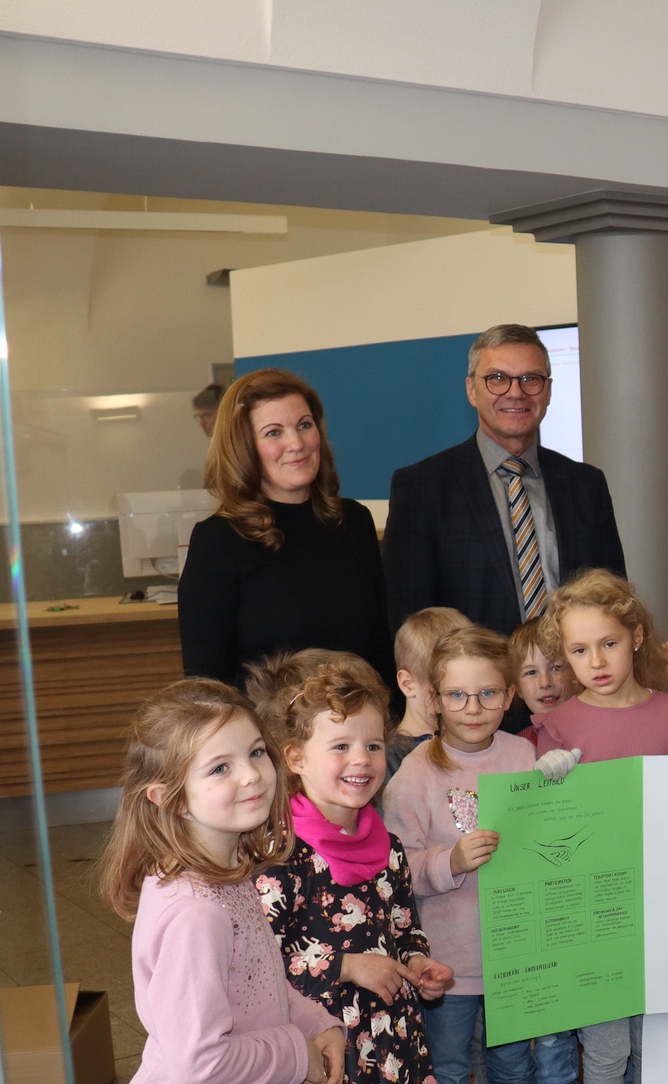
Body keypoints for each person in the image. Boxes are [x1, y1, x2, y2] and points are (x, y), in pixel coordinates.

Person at [94, 681, 346, 1084]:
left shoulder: (227, 875)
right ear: (165, 795)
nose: (252, 774)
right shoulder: (195, 909)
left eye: (256, 752)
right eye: (220, 765)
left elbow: (260, 986)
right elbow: (200, 1057)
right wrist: (299, 1053)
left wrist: (319, 1021)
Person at [247, 652, 458, 1084]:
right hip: (331, 1066)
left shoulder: (387, 845)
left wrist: (416, 962)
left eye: (373, 743)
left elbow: (402, 926)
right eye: (340, 745)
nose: (362, 759)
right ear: (295, 757)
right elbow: (258, 962)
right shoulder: (279, 855)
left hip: (390, 1053)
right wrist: (347, 964)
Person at [387, 627, 560, 1084]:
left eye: (488, 693)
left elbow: (559, 837)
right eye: (457, 695)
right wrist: (447, 861)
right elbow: (394, 869)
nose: (472, 707)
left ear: (510, 694)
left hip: (516, 960)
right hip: (447, 966)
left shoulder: (524, 756)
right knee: (449, 1076)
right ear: (433, 698)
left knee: (516, 1073)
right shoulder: (414, 773)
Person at [531, 569, 668, 1084]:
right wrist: (541, 783)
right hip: (592, 914)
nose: (594, 662)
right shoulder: (555, 723)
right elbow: (539, 835)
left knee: (655, 1034)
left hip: (664, 909)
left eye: (607, 643)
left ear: (635, 636)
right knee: (604, 1044)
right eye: (578, 650)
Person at [384, 324, 627, 644]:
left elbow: (614, 603)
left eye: (531, 379)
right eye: (497, 378)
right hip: (477, 689)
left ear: (548, 390)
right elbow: (410, 623)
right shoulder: (421, 488)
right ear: (472, 390)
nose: (516, 392)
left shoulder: (586, 485)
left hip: (576, 684)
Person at [178, 370, 391, 688]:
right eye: (273, 432)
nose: (296, 444)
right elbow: (208, 686)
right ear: (243, 447)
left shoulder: (354, 522)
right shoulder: (218, 541)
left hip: (363, 732)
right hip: (269, 735)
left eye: (304, 425)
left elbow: (382, 652)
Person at [389, 607, 472, 785]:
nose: (468, 703)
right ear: (407, 684)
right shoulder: (388, 759)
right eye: (452, 692)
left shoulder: (479, 740)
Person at [509, 620, 572, 749]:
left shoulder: (599, 729)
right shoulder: (519, 749)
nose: (545, 683)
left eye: (555, 668)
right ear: (518, 688)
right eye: (531, 672)